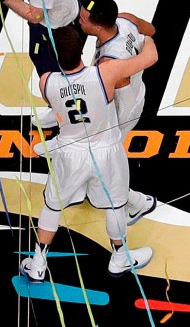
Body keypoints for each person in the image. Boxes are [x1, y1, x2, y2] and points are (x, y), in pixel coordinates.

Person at [21, 26, 158, 282]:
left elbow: (61, 108)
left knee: (53, 205)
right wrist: (145, 38)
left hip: (70, 151)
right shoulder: (105, 73)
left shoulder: (46, 82)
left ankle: (38, 263)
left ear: (54, 56)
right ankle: (119, 257)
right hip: (105, 150)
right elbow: (150, 58)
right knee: (115, 205)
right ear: (82, 51)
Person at [79, 0, 159, 224]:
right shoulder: (126, 19)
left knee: (101, 165)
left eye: (83, 19)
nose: (80, 20)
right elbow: (150, 31)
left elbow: (102, 101)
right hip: (136, 93)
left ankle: (137, 204)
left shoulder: (108, 63)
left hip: (120, 112)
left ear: (96, 26)